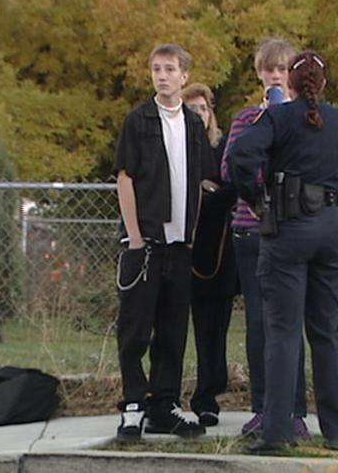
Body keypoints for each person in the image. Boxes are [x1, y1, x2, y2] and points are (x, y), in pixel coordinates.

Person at [231, 51, 338, 454]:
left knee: (283, 331)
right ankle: (337, 433)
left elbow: (240, 157)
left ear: (289, 83)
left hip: (287, 228)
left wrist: (257, 199)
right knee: (326, 332)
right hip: (330, 229)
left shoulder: (277, 119)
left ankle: (277, 432)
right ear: (323, 84)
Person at [113, 43, 208, 441]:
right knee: (135, 328)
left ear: (184, 76)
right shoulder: (139, 121)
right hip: (146, 242)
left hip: (180, 244)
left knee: (173, 329)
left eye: (170, 69)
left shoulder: (193, 125)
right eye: (156, 69)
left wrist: (193, 234)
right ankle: (134, 404)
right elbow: (125, 177)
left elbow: (199, 180)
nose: (163, 76)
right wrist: (135, 237)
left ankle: (164, 404)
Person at [220, 38, 311, 439]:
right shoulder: (246, 119)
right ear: (259, 73)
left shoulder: (307, 118)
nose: (275, 76)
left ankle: (294, 410)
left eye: (282, 69)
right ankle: (262, 407)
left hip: (292, 232)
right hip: (251, 230)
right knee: (258, 323)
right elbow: (230, 169)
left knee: (290, 324)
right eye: (268, 69)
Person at [181, 83, 238, 427]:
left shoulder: (223, 146)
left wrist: (210, 193)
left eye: (202, 108)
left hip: (219, 248)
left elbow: (232, 187)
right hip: (182, 247)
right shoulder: (176, 146)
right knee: (177, 326)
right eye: (191, 109)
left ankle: (208, 394)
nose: (198, 114)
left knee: (215, 325)